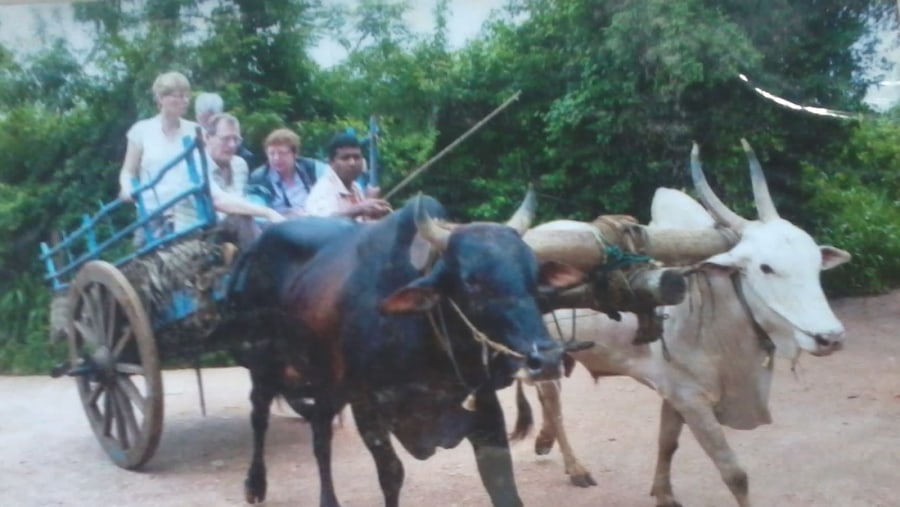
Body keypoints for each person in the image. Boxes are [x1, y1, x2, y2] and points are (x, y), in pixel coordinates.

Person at [118, 71, 282, 243]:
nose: (185, 101)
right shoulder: (142, 131)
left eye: (187, 96)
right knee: (144, 264)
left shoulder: (196, 131)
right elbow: (128, 171)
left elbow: (213, 170)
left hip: (188, 214)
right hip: (152, 214)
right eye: (178, 96)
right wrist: (127, 187)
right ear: (161, 98)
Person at [305, 132, 391, 221]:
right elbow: (322, 225)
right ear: (331, 162)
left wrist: (371, 206)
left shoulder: (355, 187)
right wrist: (359, 208)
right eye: (345, 158)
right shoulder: (323, 190)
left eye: (357, 157)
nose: (352, 163)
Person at [247, 128, 323, 218]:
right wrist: (287, 216)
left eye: (282, 153)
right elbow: (258, 215)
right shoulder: (259, 179)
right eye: (271, 153)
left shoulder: (312, 168)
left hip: (317, 221)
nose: (276, 158)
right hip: (279, 226)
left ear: (295, 154)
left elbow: (335, 184)